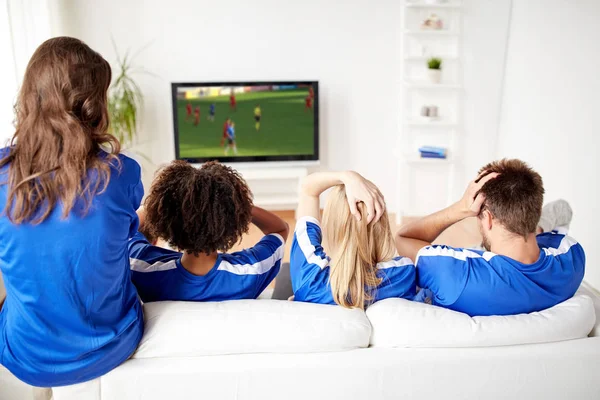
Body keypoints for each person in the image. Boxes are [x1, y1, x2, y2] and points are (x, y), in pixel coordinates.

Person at [0, 37, 144, 391]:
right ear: (93, 105)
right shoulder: (121, 172)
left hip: (26, 357)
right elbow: (130, 235)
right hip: (113, 347)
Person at [395, 159, 585, 316]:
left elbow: (404, 238)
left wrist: (460, 207)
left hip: (483, 262)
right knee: (560, 209)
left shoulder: (455, 274)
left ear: (488, 219)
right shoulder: (572, 257)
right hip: (525, 243)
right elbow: (557, 217)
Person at [129, 161, 288, 302]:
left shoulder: (141, 266)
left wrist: (158, 206)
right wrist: (240, 205)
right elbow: (280, 229)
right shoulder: (253, 270)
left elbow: (123, 231)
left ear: (165, 219)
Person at [290, 171, 416, 309]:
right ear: (381, 223)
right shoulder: (404, 273)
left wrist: (348, 176)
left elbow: (308, 190)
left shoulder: (309, 277)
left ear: (333, 224)